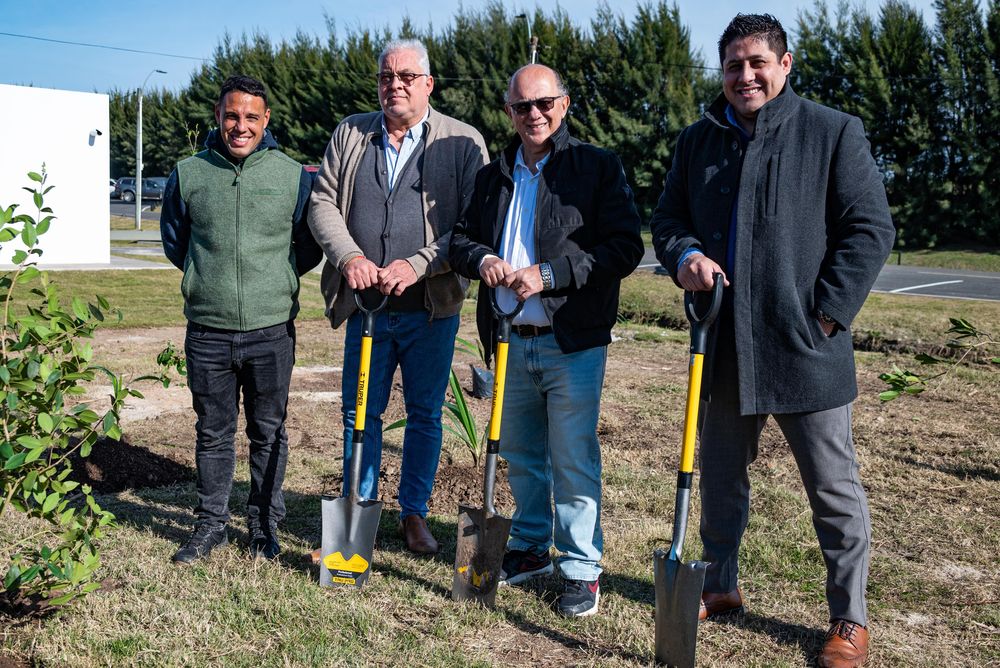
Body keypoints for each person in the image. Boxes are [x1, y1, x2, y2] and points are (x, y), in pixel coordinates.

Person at [650, 14, 895, 668]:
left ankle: (849, 621)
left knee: (833, 491)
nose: (745, 75)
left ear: (785, 65)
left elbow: (870, 229)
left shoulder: (831, 132)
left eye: (758, 62)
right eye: (733, 65)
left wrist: (826, 315)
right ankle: (721, 585)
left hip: (805, 350)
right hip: (725, 346)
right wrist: (685, 256)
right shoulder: (699, 141)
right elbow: (669, 219)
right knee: (721, 480)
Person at [449, 64, 644, 617]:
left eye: (544, 103)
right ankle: (532, 548)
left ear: (563, 104)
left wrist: (551, 274)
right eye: (521, 107)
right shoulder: (493, 176)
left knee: (573, 457)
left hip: (571, 340)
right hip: (509, 339)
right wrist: (484, 258)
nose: (534, 115)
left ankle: (581, 569)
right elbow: (459, 241)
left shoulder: (596, 167)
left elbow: (624, 248)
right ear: (508, 112)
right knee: (522, 455)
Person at [307, 39, 488, 556]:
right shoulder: (351, 133)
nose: (396, 85)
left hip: (431, 310)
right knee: (358, 413)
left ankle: (414, 514)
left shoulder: (462, 141)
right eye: (387, 77)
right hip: (365, 306)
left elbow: (470, 226)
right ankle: (357, 511)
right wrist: (350, 259)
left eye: (407, 76)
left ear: (428, 84)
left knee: (426, 414)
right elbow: (323, 204)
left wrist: (417, 264)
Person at [161, 74, 322, 564]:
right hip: (208, 330)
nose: (240, 125)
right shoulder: (189, 174)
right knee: (212, 431)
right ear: (218, 116)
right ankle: (211, 525)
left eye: (251, 116)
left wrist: (274, 281)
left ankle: (263, 527)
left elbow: (308, 245)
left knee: (267, 431)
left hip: (271, 329)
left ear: (266, 119)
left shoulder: (293, 176)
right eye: (232, 115)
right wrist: (203, 277)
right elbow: (176, 241)